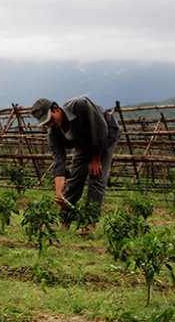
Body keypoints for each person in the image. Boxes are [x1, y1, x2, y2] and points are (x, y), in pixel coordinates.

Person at [31, 96, 120, 233]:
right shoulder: (54, 133)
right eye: (46, 123)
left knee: (96, 177)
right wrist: (59, 191)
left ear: (56, 109)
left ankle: (90, 224)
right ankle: (65, 221)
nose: (50, 125)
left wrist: (96, 159)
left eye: (50, 120)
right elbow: (59, 161)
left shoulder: (80, 105)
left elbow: (100, 128)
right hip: (83, 144)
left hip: (106, 135)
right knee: (74, 181)